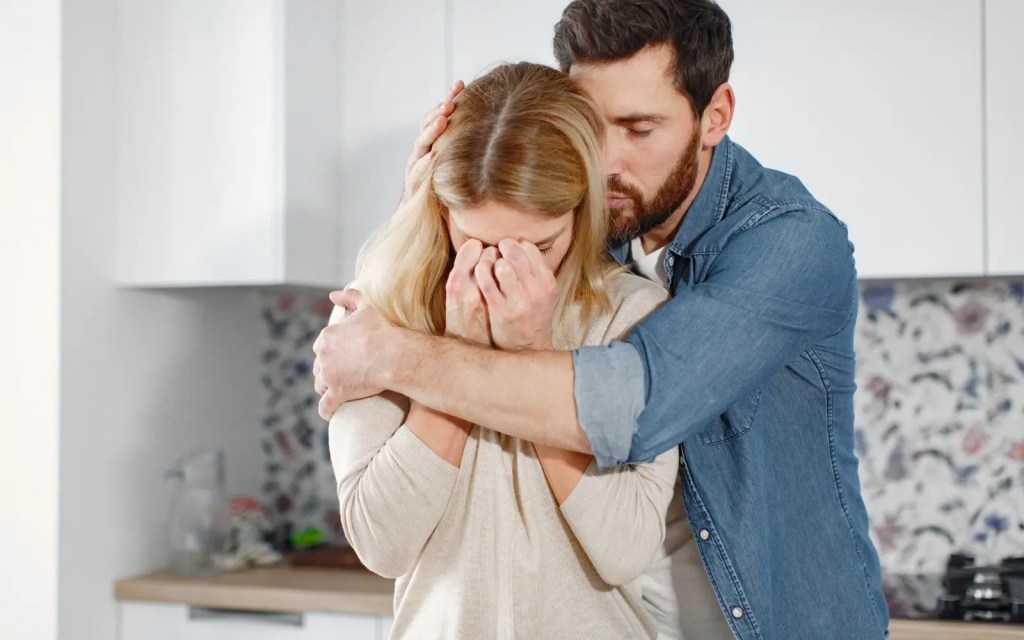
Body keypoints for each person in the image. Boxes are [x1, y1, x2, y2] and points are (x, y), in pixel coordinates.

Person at [314, 1, 889, 638]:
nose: (606, 161)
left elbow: (629, 401)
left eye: (639, 129)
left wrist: (393, 355)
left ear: (714, 116)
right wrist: (430, 210)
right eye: (591, 126)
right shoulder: (587, 228)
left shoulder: (791, 243)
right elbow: (509, 210)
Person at [328, 61, 682, 639]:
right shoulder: (379, 318)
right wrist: (457, 352)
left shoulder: (633, 317)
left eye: (540, 245)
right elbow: (381, 543)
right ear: (442, 211)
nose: (504, 268)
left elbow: (624, 547)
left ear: (581, 212)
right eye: (480, 241)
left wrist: (533, 356)